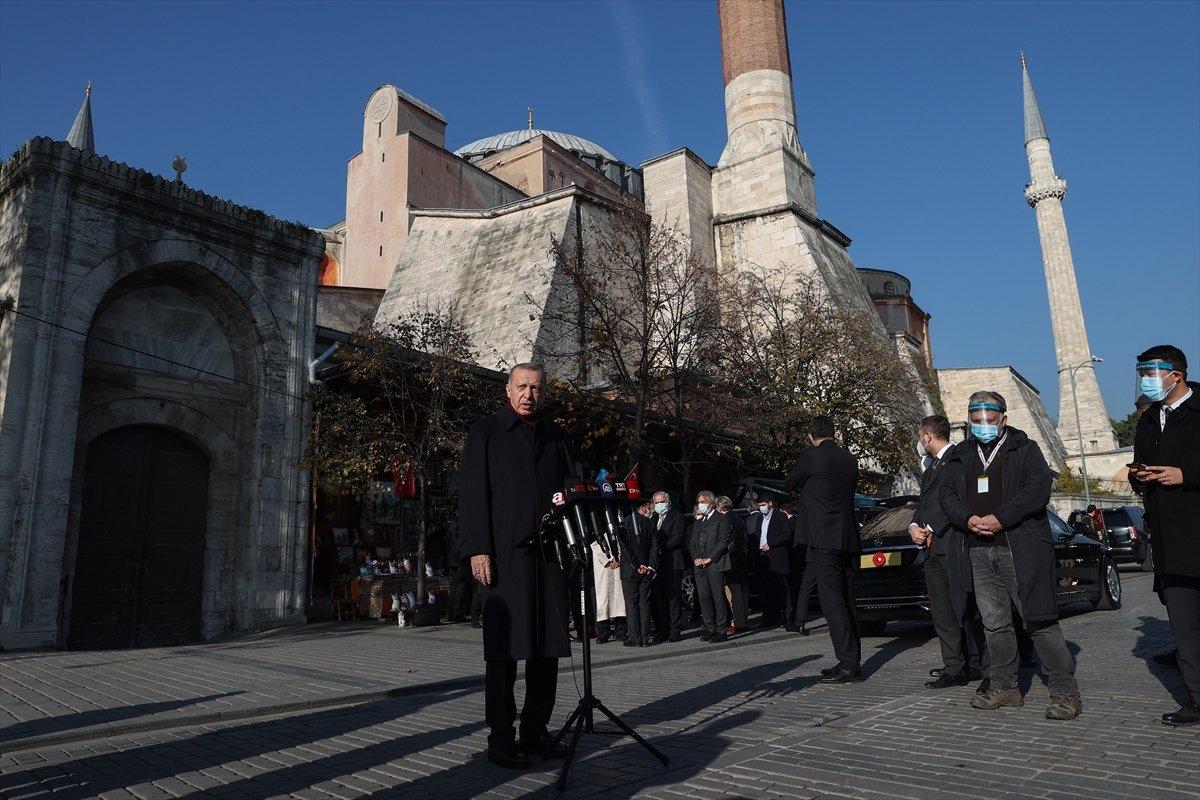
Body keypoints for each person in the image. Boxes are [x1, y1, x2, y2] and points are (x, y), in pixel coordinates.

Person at [938, 390, 1083, 720]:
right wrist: (967, 518)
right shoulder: (961, 455)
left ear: (1003, 418)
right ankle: (1005, 687)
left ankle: (1065, 692)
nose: (984, 426)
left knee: (1039, 620)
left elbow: (1037, 490)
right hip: (977, 550)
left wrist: (1001, 517)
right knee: (994, 624)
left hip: (1018, 548)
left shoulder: (1025, 449)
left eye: (990, 420)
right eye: (977, 421)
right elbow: (945, 494)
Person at [458, 363, 573, 768]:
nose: (529, 395)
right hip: (503, 558)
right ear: (508, 390)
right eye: (522, 386)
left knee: (547, 648)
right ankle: (502, 737)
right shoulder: (486, 432)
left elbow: (568, 489)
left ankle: (536, 730)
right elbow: (473, 495)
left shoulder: (555, 435)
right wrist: (478, 550)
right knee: (503, 653)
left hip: (549, 558)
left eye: (537, 388)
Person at [1129, 345, 1200, 727]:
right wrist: (1138, 475)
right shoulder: (1147, 419)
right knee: (1184, 626)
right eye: (1141, 373)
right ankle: (1196, 700)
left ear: (1176, 374)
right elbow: (1140, 465)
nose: (1145, 380)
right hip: (1170, 541)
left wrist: (1185, 475)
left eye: (1150, 373)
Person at [909, 414, 986, 689]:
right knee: (943, 610)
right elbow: (924, 504)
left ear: (928, 436)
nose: (919, 441)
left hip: (952, 542)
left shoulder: (957, 458)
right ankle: (955, 664)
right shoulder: (930, 468)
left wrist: (931, 526)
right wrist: (914, 526)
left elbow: (957, 500)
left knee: (963, 607)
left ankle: (973, 664)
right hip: (932, 548)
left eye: (920, 435)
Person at [785, 415, 863, 682]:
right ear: (834, 432)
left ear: (811, 435)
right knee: (847, 598)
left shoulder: (812, 456)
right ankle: (853, 659)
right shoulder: (849, 459)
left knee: (832, 601)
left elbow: (789, 482)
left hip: (823, 537)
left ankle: (848, 664)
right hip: (847, 536)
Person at [688, 490, 733, 643]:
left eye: (703, 502)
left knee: (717, 596)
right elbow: (692, 542)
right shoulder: (698, 522)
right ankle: (709, 627)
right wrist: (695, 558)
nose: (700, 505)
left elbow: (723, 541)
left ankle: (721, 629)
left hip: (715, 564)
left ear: (711, 503)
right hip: (699, 566)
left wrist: (710, 558)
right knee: (703, 597)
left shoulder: (721, 519)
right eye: (699, 502)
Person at [749, 495, 793, 629]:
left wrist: (771, 544)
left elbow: (786, 534)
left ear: (770, 503)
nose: (762, 507)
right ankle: (769, 617)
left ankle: (787, 618)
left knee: (782, 589)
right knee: (766, 590)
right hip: (763, 558)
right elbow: (757, 537)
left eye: (763, 504)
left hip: (776, 556)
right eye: (760, 505)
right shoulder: (759, 519)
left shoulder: (780, 516)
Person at [620, 500, 660, 647]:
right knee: (644, 603)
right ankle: (644, 637)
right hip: (645, 569)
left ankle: (635, 637)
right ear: (642, 506)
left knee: (632, 604)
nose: (650, 508)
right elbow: (654, 548)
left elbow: (624, 548)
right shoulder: (648, 523)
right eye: (649, 506)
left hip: (630, 570)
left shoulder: (625, 522)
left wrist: (637, 565)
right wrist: (650, 566)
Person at [653, 491, 688, 642]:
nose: (659, 505)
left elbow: (677, 539)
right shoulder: (653, 518)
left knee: (673, 598)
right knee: (659, 598)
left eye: (662, 502)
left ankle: (675, 629)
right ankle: (663, 629)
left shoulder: (677, 517)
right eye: (656, 503)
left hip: (672, 562)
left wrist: (659, 549)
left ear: (668, 503)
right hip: (657, 564)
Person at [717, 495, 749, 633]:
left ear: (720, 506)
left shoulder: (725, 519)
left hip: (731, 560)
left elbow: (725, 541)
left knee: (732, 594)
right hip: (741, 558)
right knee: (742, 593)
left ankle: (738, 623)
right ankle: (743, 620)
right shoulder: (739, 519)